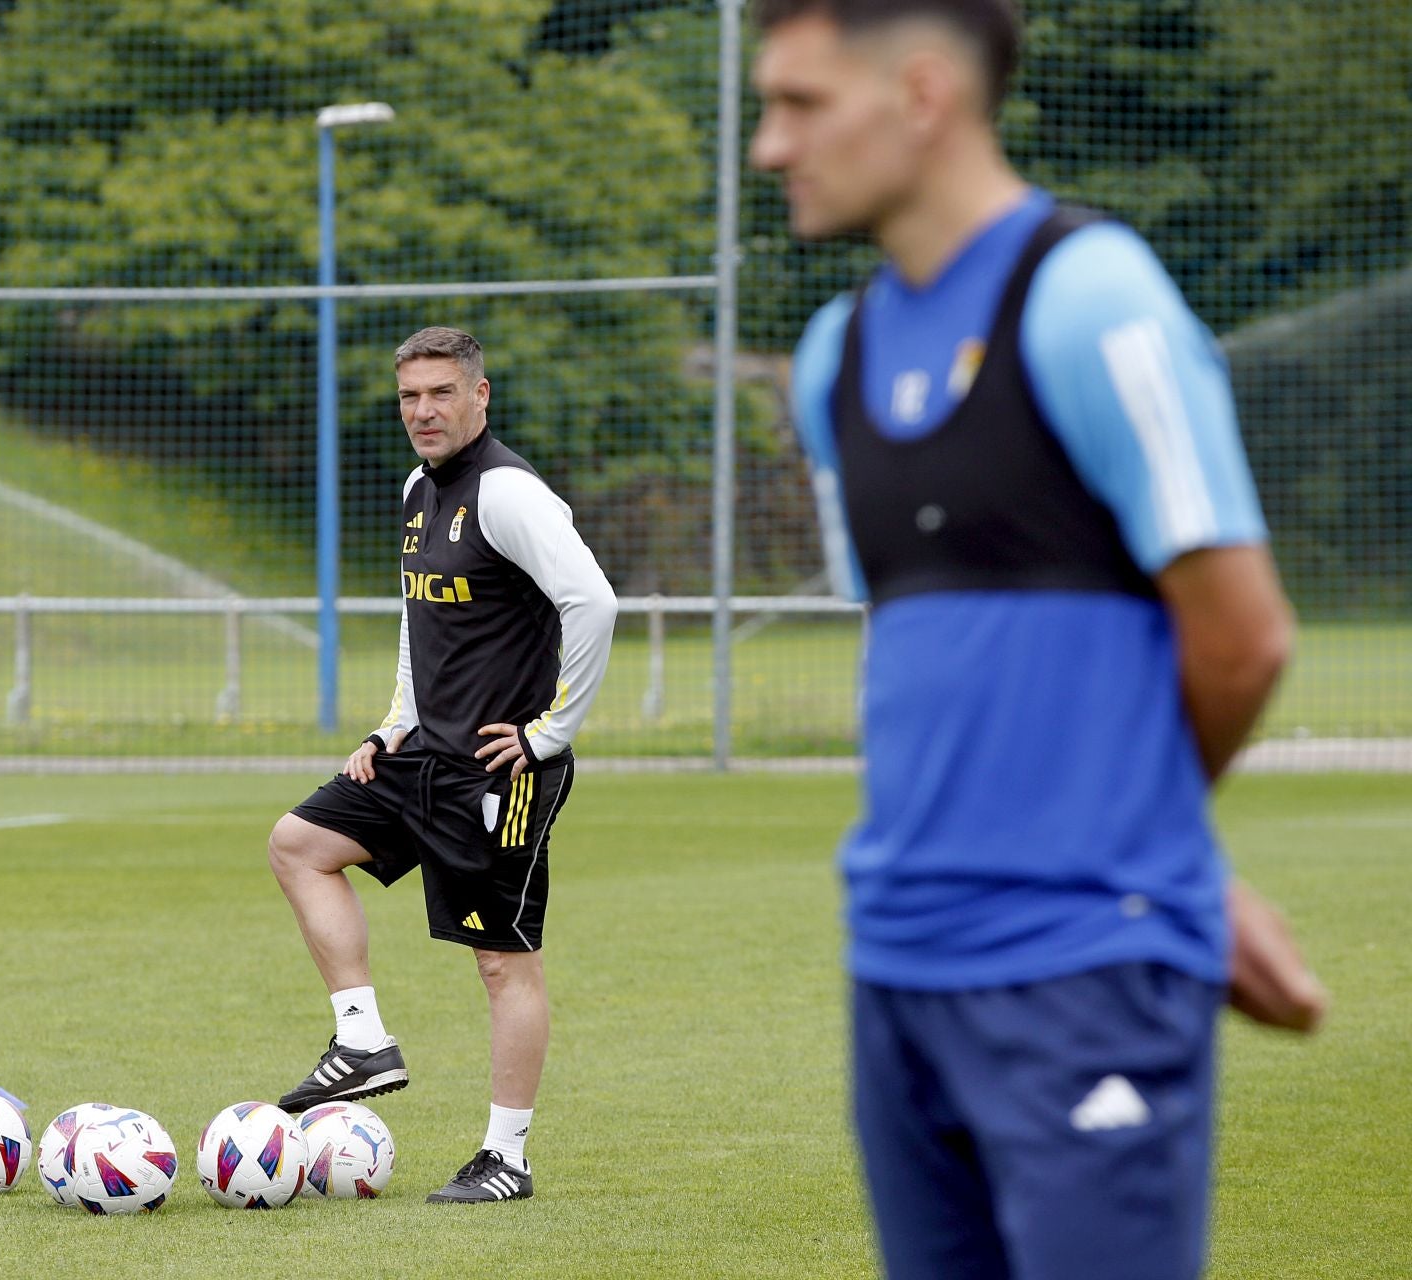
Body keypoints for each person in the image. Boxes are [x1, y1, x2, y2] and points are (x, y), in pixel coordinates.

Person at [748, 2, 1327, 1276]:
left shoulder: (1094, 299)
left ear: (919, 94)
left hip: (1084, 978)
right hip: (896, 966)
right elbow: (938, 671)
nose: (767, 149)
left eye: (798, 104)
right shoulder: (832, 358)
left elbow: (1244, 638)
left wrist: (1153, 856)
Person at [267, 326, 618, 1203]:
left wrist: (549, 732)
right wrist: (392, 727)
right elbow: (417, 625)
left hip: (501, 772)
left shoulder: (508, 494)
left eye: (440, 394)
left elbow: (594, 601)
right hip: (422, 753)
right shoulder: (419, 489)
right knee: (300, 843)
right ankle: (362, 1042)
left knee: (502, 962)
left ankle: (507, 1159)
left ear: (479, 394)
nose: (423, 411)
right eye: (409, 398)